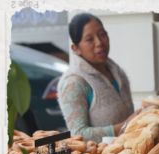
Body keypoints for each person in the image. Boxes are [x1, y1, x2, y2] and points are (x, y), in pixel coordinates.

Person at [57, 13, 138, 143]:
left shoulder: (117, 72)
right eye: (90, 39)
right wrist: (122, 127)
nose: (99, 43)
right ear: (76, 48)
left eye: (102, 34)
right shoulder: (73, 83)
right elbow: (77, 134)